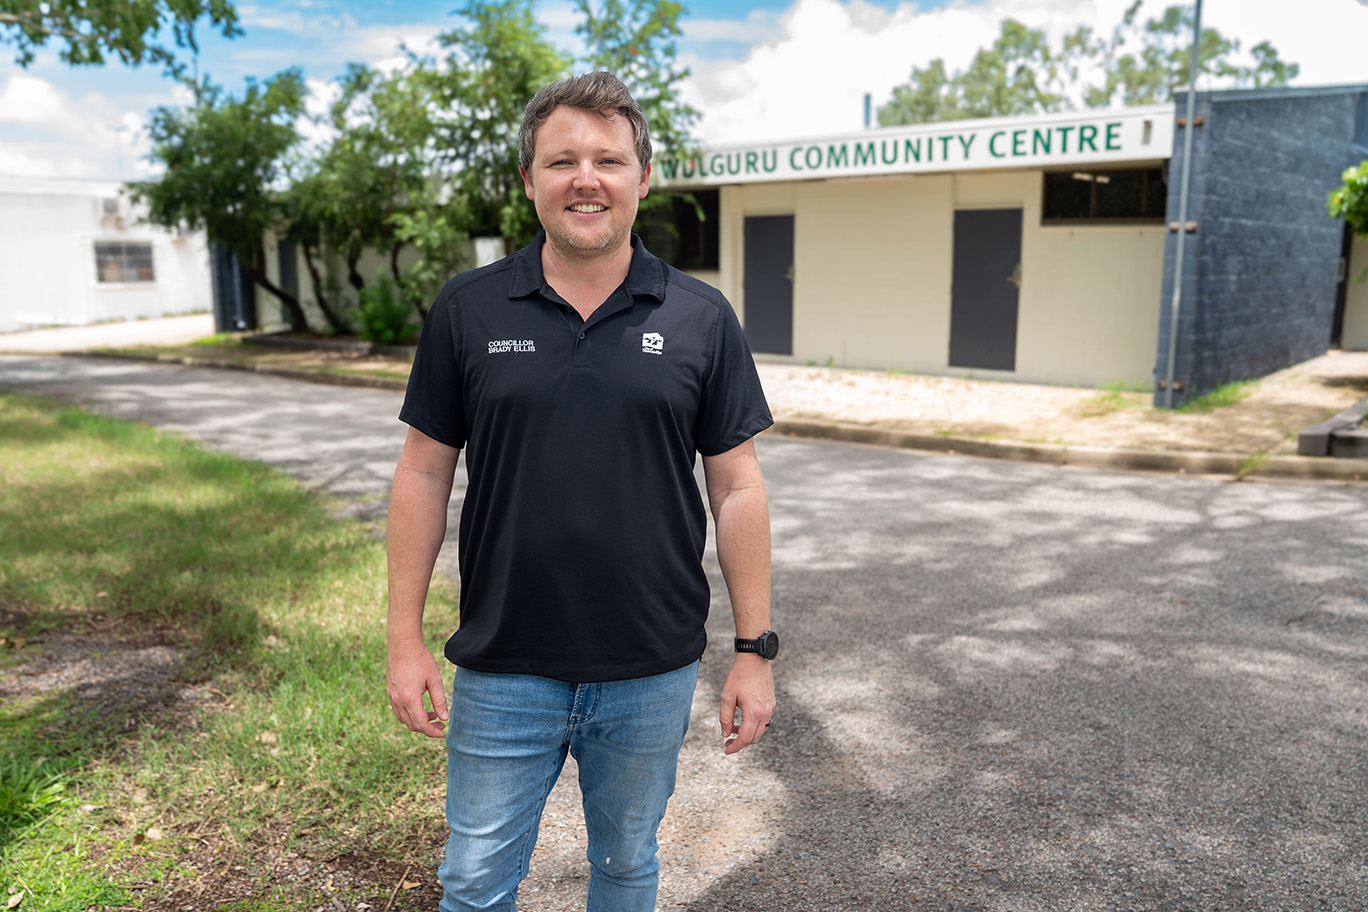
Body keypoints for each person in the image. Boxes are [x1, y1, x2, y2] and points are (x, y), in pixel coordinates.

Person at [385, 70, 778, 912]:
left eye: (609, 159)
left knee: (628, 867)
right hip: (502, 665)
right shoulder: (470, 308)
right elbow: (423, 470)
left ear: (643, 178)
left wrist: (754, 650)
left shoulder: (702, 317)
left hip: (650, 665)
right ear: (529, 182)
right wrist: (403, 639)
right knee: (476, 880)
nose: (586, 178)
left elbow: (738, 486)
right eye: (562, 160)